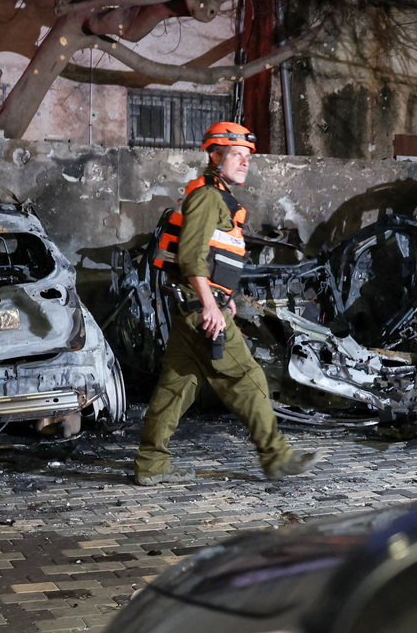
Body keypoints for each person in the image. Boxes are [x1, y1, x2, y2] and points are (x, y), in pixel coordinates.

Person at [133, 122, 319, 485]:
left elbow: (216, 257)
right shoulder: (207, 197)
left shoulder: (218, 198)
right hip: (199, 309)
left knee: (175, 387)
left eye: (248, 156)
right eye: (237, 154)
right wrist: (210, 306)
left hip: (193, 305)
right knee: (248, 377)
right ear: (216, 156)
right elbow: (191, 257)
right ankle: (276, 457)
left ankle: (150, 464)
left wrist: (225, 298)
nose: (245, 162)